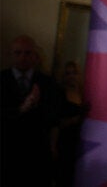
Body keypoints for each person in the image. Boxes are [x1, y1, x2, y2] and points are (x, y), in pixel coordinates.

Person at [1, 35, 64, 186]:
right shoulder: (1, 80)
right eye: (18, 53)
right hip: (7, 150)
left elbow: (55, 115)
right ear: (11, 55)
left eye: (27, 53)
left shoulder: (47, 82)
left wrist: (52, 145)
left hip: (37, 152)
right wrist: (23, 108)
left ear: (35, 55)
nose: (23, 57)